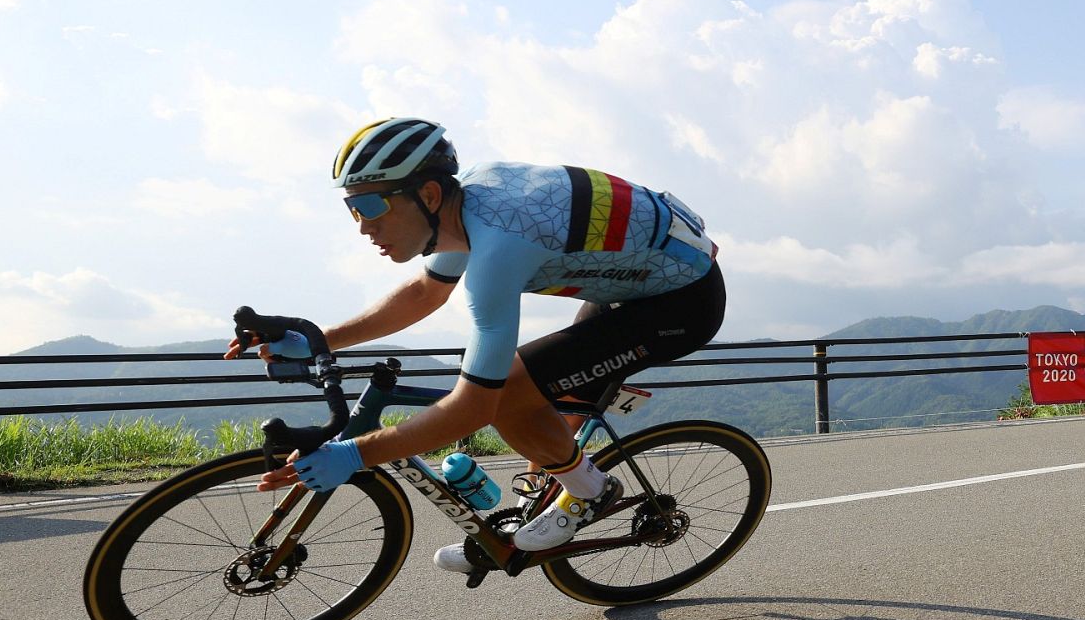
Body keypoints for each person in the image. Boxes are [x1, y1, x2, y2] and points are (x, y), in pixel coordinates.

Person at [230, 117, 724, 572]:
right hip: (630, 290)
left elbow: (475, 407)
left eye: (373, 205)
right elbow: (423, 293)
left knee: (506, 395)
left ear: (427, 193)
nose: (363, 225)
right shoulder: (462, 207)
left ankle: (591, 491)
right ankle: (530, 514)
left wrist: (355, 455)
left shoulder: (501, 244)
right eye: (352, 208)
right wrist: (318, 340)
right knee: (535, 401)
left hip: (679, 305)